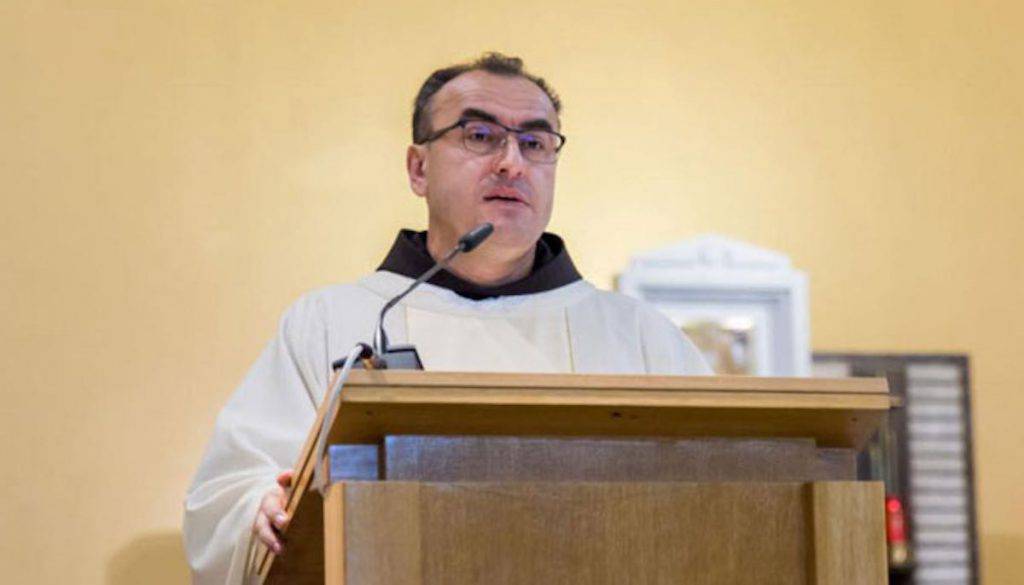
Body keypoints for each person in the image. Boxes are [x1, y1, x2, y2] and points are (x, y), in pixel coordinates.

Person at [183, 52, 710, 584]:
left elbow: (722, 499)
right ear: (418, 168)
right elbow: (231, 493)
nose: (512, 163)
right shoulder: (331, 321)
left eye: (534, 143)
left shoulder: (640, 336)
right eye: (480, 136)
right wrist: (261, 507)